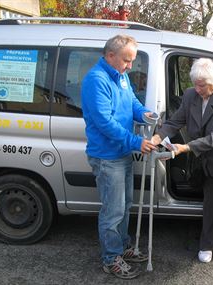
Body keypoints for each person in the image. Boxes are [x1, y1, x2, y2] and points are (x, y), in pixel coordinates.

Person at [151, 58, 213, 267]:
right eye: (195, 84)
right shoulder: (190, 94)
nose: (197, 89)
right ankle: (208, 244)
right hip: (205, 160)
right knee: (211, 203)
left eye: (202, 85)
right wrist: (157, 138)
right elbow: (176, 121)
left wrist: (187, 147)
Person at [81, 34, 157, 279]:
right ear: (110, 55)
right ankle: (111, 258)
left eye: (132, 61)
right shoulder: (97, 79)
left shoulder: (120, 76)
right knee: (112, 211)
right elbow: (105, 122)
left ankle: (122, 247)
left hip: (121, 153)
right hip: (107, 157)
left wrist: (145, 114)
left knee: (124, 206)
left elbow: (132, 102)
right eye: (126, 60)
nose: (130, 66)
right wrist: (136, 141)